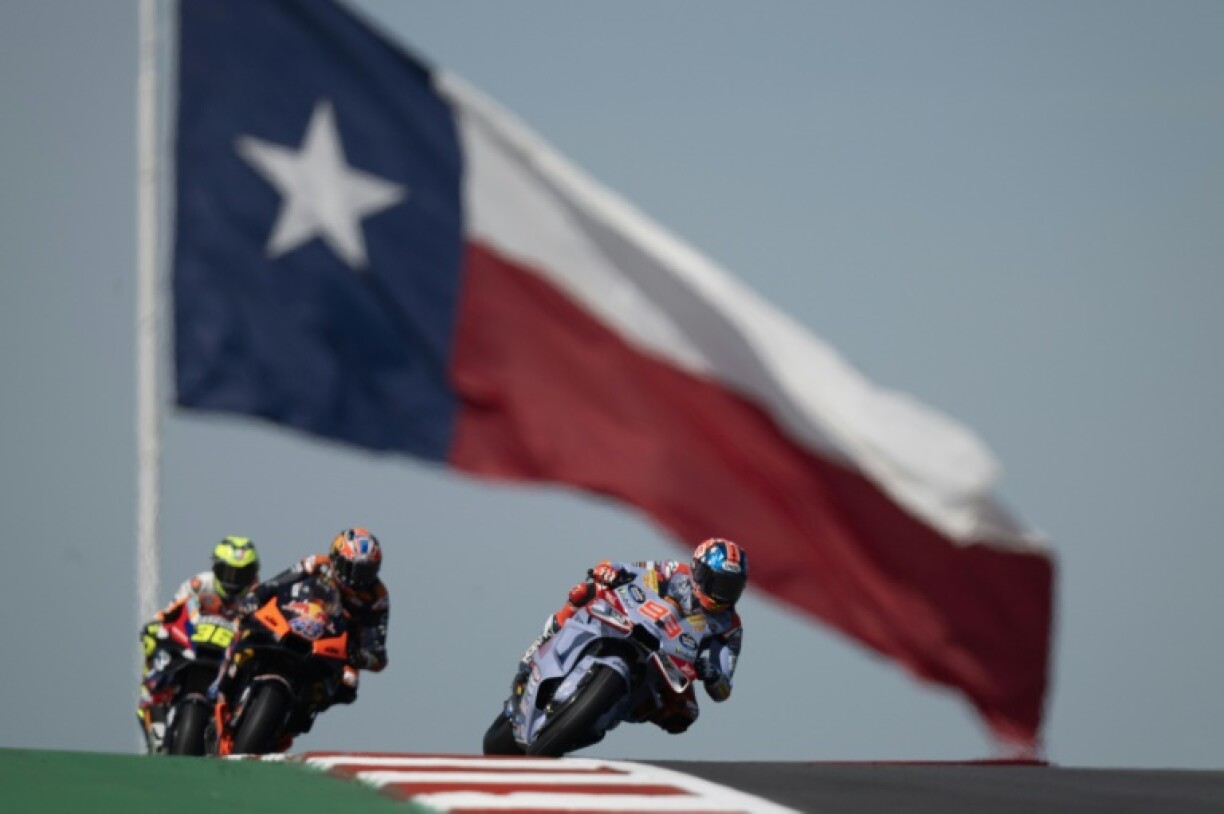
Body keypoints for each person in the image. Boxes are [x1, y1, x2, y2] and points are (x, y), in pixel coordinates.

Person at [512, 537, 747, 735]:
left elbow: (723, 689)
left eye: (730, 588)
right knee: (585, 591)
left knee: (685, 714)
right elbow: (632, 568)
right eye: (718, 583)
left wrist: (713, 674)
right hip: (634, 620)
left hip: (670, 660)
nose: (722, 595)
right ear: (699, 571)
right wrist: (610, 571)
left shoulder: (730, 627)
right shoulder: (675, 571)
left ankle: (607, 710)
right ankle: (543, 642)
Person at [223, 527, 390, 709]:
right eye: (350, 568)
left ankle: (303, 711)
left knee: (349, 682)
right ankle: (226, 679)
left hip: (332, 646)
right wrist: (254, 598)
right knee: (248, 626)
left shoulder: (377, 597)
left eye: (365, 572)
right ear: (336, 558)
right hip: (294, 620)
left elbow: (377, 652)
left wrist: (360, 656)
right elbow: (277, 583)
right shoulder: (317, 563)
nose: (357, 579)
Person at [137, 536, 260, 754]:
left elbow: (260, 627)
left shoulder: (257, 595)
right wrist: (157, 626)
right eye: (228, 572)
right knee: (153, 650)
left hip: (228, 655)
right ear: (216, 568)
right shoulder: (198, 584)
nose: (234, 580)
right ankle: (154, 717)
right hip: (193, 646)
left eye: (241, 574)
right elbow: (173, 611)